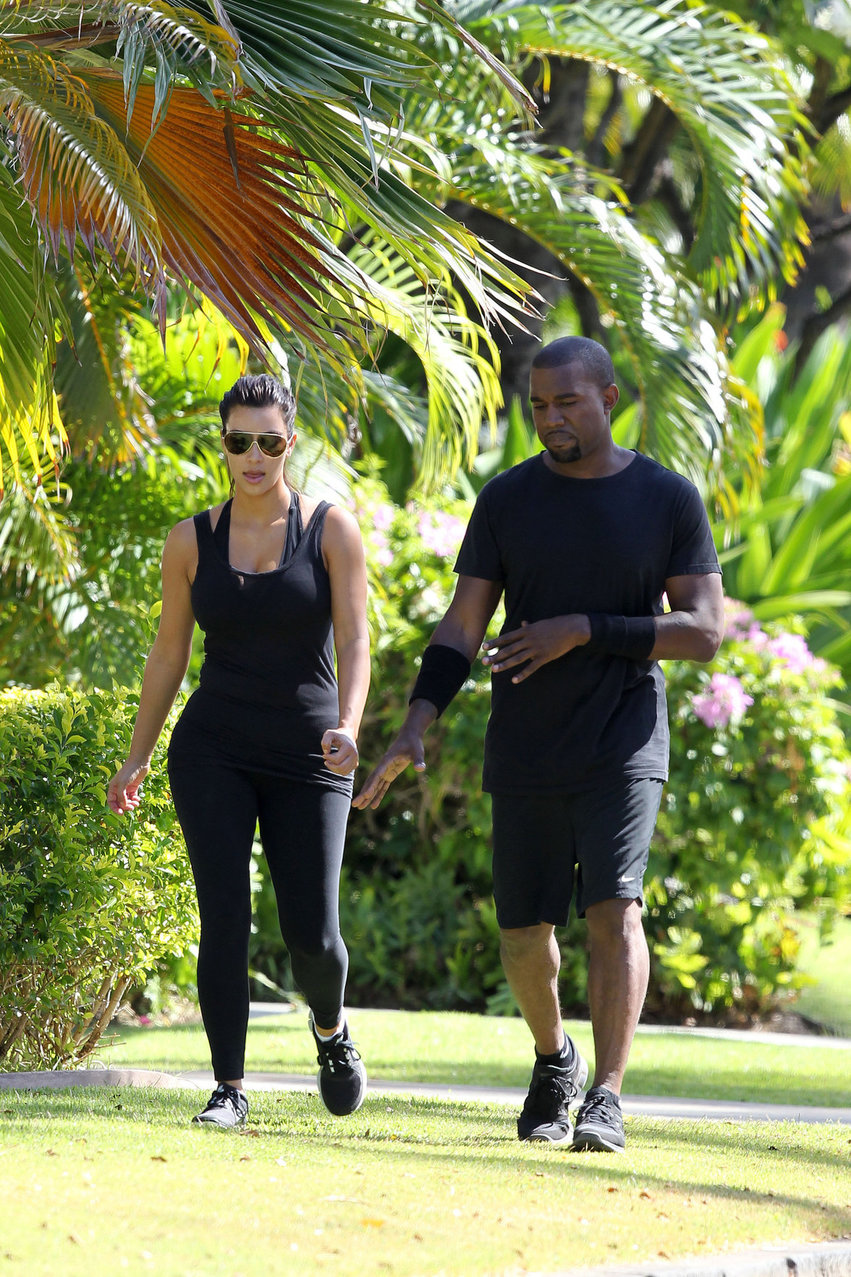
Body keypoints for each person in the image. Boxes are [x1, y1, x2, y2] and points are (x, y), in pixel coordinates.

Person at [354, 336, 724, 1153]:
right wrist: (417, 721)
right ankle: (553, 1057)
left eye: (567, 402)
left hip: (622, 737)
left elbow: (702, 632)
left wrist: (582, 630)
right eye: (538, 406)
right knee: (522, 930)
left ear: (609, 398)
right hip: (523, 739)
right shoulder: (508, 498)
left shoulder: (665, 497)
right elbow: (462, 623)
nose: (550, 418)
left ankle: (605, 1094)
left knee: (613, 907)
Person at [108, 372, 370, 1129]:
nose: (253, 456)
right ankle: (228, 1086)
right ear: (221, 444)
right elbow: (168, 654)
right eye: (237, 441)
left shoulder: (329, 529)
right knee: (223, 915)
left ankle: (331, 1028)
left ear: (290, 441)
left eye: (269, 441)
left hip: (311, 749)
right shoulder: (191, 539)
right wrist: (137, 754)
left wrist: (349, 725)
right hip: (213, 746)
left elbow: (354, 638)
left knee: (313, 931)